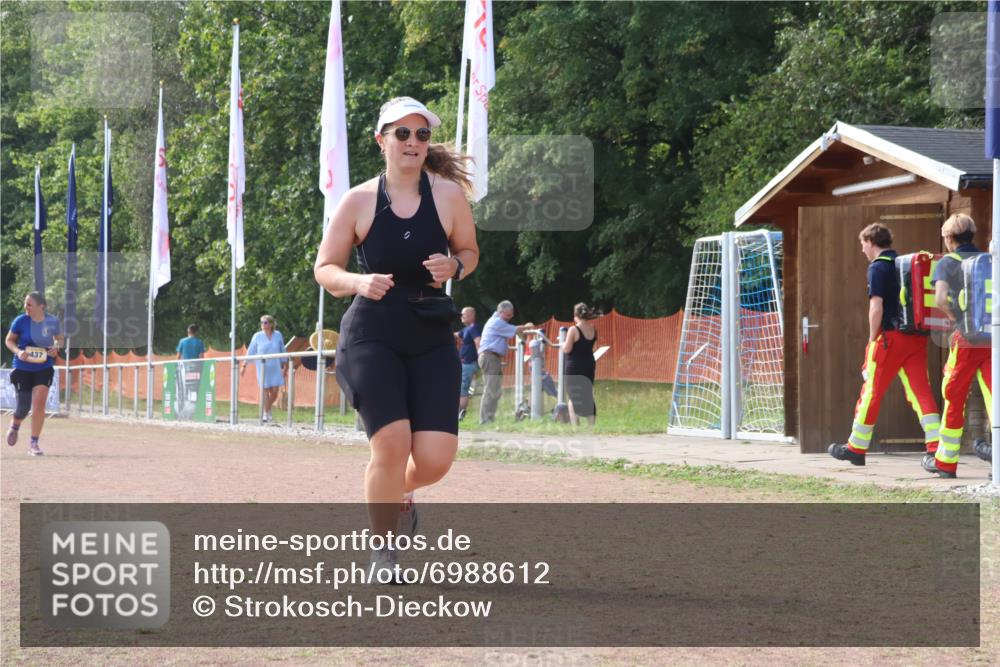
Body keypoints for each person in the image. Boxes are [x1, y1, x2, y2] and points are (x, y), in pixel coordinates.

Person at [313, 96, 479, 577]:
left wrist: (456, 266)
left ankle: (401, 492)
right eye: (402, 133)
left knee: (435, 458)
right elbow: (324, 268)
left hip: (430, 332)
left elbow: (469, 250)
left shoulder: (447, 196)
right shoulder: (359, 200)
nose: (412, 142)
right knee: (390, 444)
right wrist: (359, 282)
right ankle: (382, 550)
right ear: (380, 139)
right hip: (372, 333)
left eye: (421, 134)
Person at [828, 223, 941, 468]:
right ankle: (936, 448)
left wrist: (871, 339)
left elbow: (876, 307)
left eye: (862, 245)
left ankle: (856, 448)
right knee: (921, 393)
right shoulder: (903, 265)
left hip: (890, 339)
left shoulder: (878, 268)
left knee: (871, 392)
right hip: (916, 338)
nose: (862, 250)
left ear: (870, 241)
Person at [925, 213, 992, 478]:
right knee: (994, 397)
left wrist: (956, 319)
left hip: (966, 340)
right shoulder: (989, 260)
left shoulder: (947, 263)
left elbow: (940, 298)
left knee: (953, 395)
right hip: (992, 338)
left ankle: (946, 462)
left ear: (950, 238)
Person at [5, 292, 63, 456]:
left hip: (44, 367)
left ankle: (34, 443)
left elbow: (59, 338)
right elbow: (9, 340)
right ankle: (15, 425)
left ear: (41, 306)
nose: (26, 307)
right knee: (23, 408)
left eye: (29, 304)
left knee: (39, 405)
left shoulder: (52, 321)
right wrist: (18, 351)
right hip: (22, 367)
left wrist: (56, 347)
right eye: (25, 304)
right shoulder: (20, 321)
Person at [478, 300, 534, 425]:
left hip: (493, 358)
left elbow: (514, 330)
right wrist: (529, 326)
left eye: (511, 315)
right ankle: (485, 419)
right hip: (489, 357)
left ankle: (489, 418)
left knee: (495, 390)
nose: (510, 317)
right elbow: (515, 329)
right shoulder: (497, 322)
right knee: (490, 389)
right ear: (501, 312)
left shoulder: (498, 321)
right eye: (508, 315)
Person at [240, 315, 287, 423]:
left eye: (265, 322)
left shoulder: (278, 335)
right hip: (262, 366)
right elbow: (251, 350)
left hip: (275, 366)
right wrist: (244, 365)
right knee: (265, 390)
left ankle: (267, 408)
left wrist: (285, 364)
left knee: (274, 392)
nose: (263, 325)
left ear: (271, 324)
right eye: (261, 323)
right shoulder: (257, 336)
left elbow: (282, 349)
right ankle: (266, 413)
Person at [561, 302, 600, 426]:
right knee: (587, 394)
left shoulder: (573, 329)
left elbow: (567, 349)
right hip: (589, 364)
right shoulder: (592, 328)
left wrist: (561, 343)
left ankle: (575, 426)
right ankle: (591, 425)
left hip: (575, 366)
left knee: (573, 396)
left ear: (575, 315)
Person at [455, 306, 481, 421]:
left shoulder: (473, 328)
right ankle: (460, 413)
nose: (461, 316)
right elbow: (457, 334)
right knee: (464, 388)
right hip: (466, 363)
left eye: (464, 314)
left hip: (469, 363)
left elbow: (478, 342)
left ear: (471, 315)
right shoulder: (467, 329)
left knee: (463, 389)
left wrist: (480, 358)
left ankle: (460, 415)